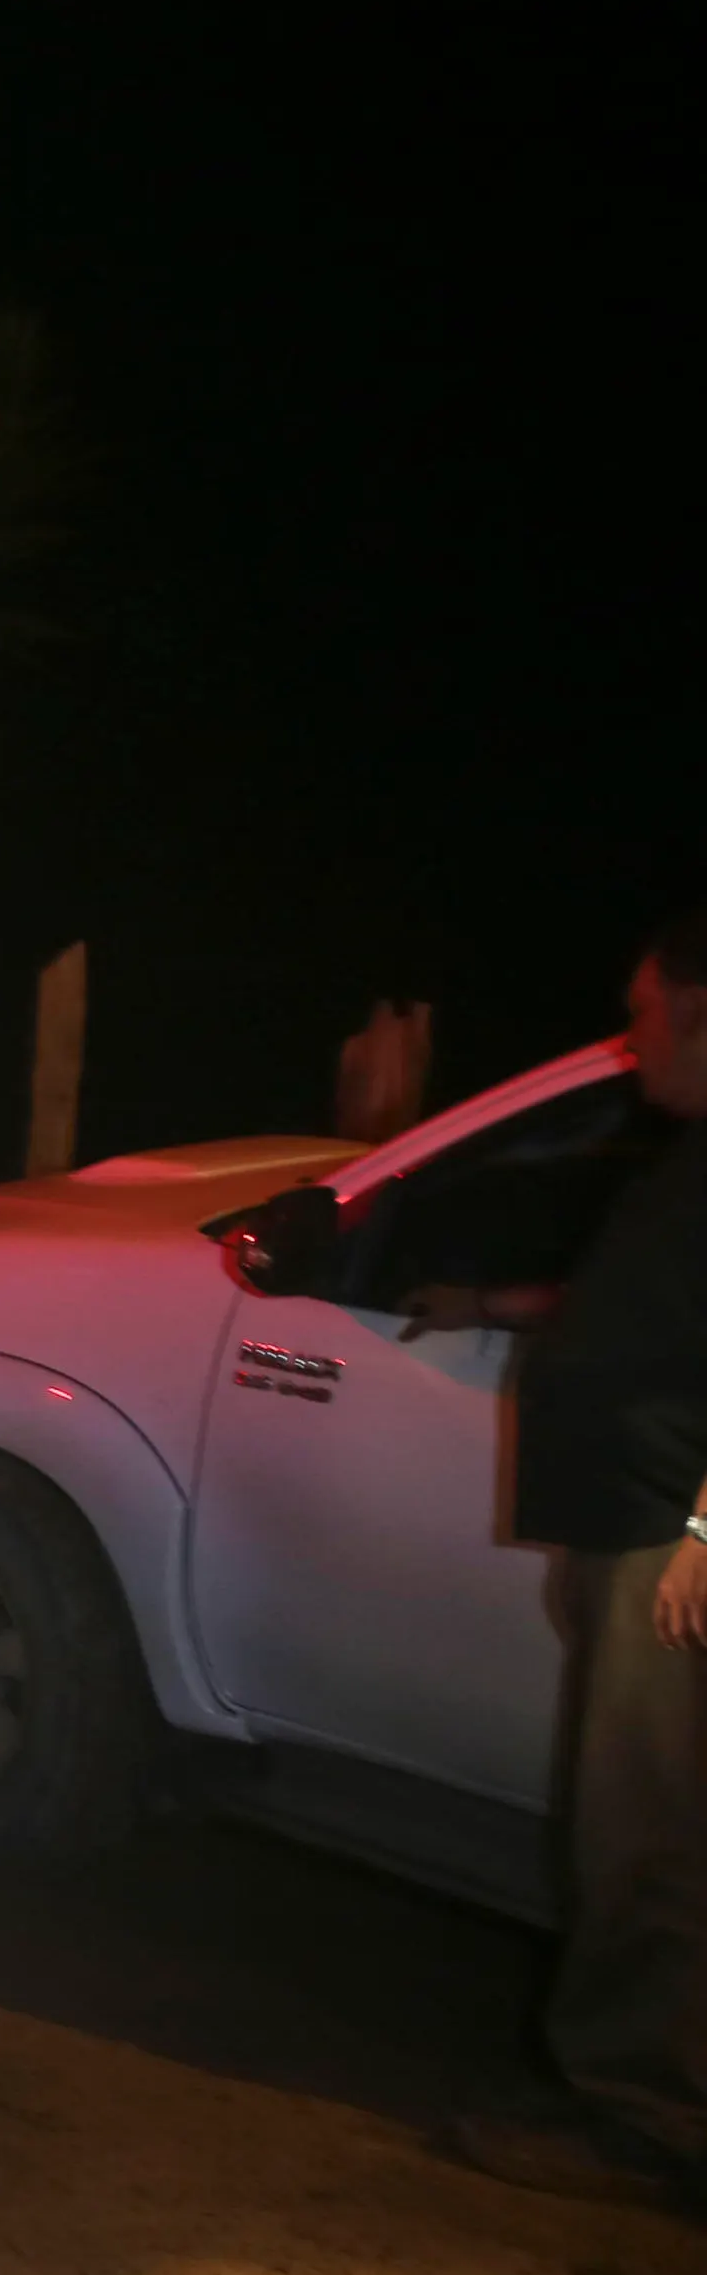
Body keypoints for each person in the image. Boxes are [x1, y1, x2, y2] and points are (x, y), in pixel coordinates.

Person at [416, 905, 707, 2209]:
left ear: (700, 1009)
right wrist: (490, 1307)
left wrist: (702, 1529)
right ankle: (624, 2082)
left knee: (648, 1837)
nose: (628, 1039)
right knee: (629, 1825)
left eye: (641, 1013)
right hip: (631, 1526)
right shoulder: (689, 1154)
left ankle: (645, 2119)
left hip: (669, 1539)